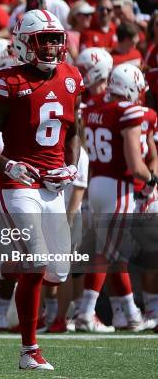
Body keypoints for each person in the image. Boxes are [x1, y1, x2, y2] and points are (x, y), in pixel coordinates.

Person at [0, 9, 84, 370]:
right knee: (36, 261)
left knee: (59, 271)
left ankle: (0, 267)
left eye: (55, 38)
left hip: (52, 182)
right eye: (42, 39)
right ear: (22, 44)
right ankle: (28, 351)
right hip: (17, 182)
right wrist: (8, 164)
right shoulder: (7, 82)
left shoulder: (70, 76)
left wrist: (70, 164)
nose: (50, 46)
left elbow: (73, 130)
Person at [77, 63, 152, 332]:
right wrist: (151, 179)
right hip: (119, 185)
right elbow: (134, 163)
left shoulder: (94, 107)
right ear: (131, 87)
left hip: (97, 182)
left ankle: (131, 313)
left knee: (115, 252)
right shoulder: (128, 111)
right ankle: (86, 312)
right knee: (106, 252)